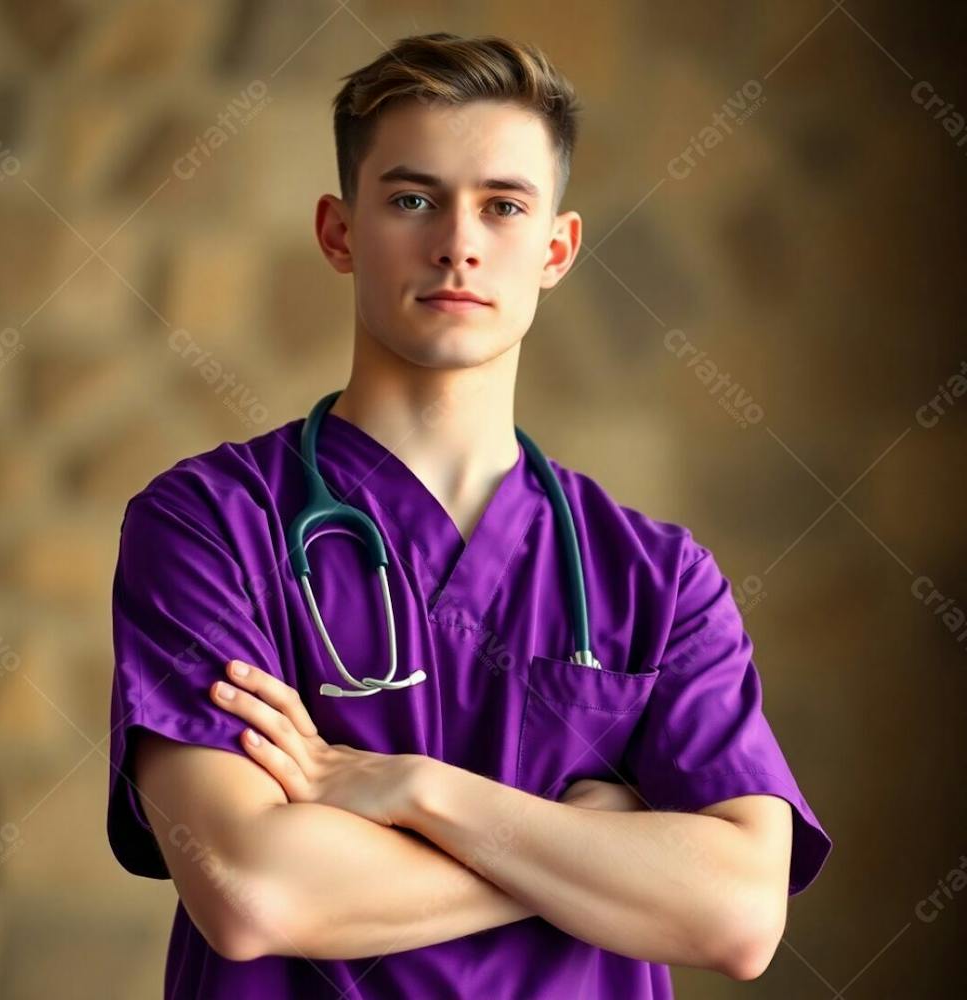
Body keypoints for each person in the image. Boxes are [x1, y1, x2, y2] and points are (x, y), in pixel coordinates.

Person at [106, 31, 832, 999]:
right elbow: (254, 890)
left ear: (556, 248)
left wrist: (415, 789)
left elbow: (737, 914)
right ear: (337, 231)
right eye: (412, 199)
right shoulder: (208, 527)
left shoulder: (658, 580)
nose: (458, 241)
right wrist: (595, 847)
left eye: (502, 205)